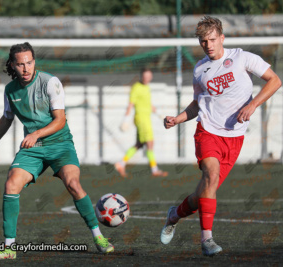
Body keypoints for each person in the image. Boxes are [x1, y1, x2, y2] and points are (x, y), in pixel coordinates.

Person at [160, 16, 281, 256]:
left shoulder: (243, 58)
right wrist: (178, 118)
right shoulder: (200, 69)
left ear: (222, 38)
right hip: (208, 132)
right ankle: (207, 240)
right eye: (203, 41)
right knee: (211, 175)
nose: (209, 45)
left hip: (234, 138)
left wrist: (253, 104)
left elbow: (275, 80)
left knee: (203, 193)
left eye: (213, 39)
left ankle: (175, 214)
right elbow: (197, 105)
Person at [0, 42, 114, 260]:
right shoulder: (10, 90)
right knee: (11, 184)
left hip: (60, 144)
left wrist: (35, 134)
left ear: (34, 62)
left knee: (73, 185)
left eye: (29, 63)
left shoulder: (50, 82)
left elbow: (60, 120)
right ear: (12, 65)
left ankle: (99, 237)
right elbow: (7, 118)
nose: (26, 68)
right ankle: (9, 248)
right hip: (33, 149)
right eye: (20, 64)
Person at [114, 68, 168, 178]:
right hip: (141, 119)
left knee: (139, 144)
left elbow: (148, 104)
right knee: (150, 143)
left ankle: (121, 164)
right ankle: (154, 170)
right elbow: (130, 104)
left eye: (148, 77)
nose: (146, 78)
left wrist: (159, 114)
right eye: (145, 76)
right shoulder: (136, 88)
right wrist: (125, 119)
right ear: (141, 76)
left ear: (151, 77)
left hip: (146, 119)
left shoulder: (147, 87)